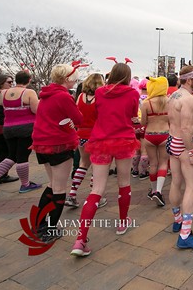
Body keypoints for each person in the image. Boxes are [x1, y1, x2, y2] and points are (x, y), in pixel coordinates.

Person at [71, 62, 141, 257]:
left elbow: (96, 113)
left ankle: (80, 239)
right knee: (124, 183)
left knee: (97, 189)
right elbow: (133, 116)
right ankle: (122, 222)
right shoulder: (133, 94)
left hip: (101, 140)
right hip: (124, 140)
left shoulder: (100, 92)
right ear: (128, 76)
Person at [31, 63, 84, 242]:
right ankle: (50, 228)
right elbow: (78, 119)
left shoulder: (45, 94)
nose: (76, 79)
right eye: (74, 77)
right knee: (60, 188)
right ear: (67, 78)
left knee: (52, 184)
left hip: (41, 143)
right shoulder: (63, 96)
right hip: (59, 144)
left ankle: (39, 224)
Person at [167, 65, 193, 249]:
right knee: (192, 186)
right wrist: (192, 151)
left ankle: (177, 220)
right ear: (189, 79)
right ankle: (185, 235)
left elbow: (181, 123)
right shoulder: (188, 100)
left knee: (176, 182)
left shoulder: (173, 96)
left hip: (172, 140)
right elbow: (185, 129)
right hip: (184, 144)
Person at [0, 71, 40, 199]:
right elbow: (36, 110)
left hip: (8, 128)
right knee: (22, 156)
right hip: (25, 128)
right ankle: (25, 184)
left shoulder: (3, 93)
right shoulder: (29, 92)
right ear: (29, 80)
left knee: (11, 156)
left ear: (16, 80)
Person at [65, 73, 106, 208]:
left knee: (83, 164)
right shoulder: (100, 98)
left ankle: (72, 193)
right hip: (96, 135)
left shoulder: (80, 97)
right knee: (96, 166)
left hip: (81, 134)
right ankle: (96, 196)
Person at [141, 76, 170, 206]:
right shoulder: (169, 101)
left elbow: (143, 122)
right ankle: (158, 191)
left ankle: (153, 190)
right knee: (164, 163)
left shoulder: (146, 103)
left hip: (150, 135)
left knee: (153, 164)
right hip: (165, 134)